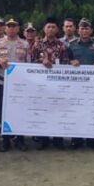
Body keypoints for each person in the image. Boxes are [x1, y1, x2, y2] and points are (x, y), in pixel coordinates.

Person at [29, 17, 70, 150]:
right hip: (41, 85)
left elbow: (65, 64)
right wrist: (42, 61)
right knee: (44, 111)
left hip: (57, 85)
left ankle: (58, 139)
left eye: (53, 27)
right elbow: (31, 64)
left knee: (58, 111)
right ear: (44, 29)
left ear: (57, 29)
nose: (51, 29)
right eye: (48, 27)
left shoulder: (62, 46)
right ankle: (43, 139)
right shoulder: (37, 45)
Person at [0, 18, 30, 152]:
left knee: (19, 110)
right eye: (9, 26)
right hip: (3, 82)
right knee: (2, 111)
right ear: (5, 28)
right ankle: (5, 140)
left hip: (19, 84)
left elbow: (29, 63)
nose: (11, 29)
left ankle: (20, 139)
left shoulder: (25, 44)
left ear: (18, 29)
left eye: (14, 26)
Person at [68, 18, 94, 148]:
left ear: (91, 30)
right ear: (78, 30)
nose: (84, 31)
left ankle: (91, 139)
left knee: (92, 110)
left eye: (87, 28)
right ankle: (76, 138)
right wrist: (71, 62)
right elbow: (67, 60)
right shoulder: (71, 44)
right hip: (76, 84)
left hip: (93, 84)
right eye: (82, 28)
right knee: (76, 110)